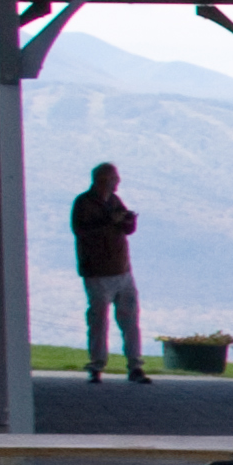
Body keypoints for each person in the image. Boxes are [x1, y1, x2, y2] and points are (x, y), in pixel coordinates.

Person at [72, 162, 146, 383]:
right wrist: (109, 222)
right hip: (97, 273)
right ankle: (96, 365)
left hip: (123, 270)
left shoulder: (114, 201)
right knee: (98, 320)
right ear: (104, 180)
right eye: (115, 178)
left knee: (130, 319)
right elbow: (82, 232)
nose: (118, 181)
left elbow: (126, 230)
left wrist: (128, 221)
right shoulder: (84, 203)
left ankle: (135, 366)